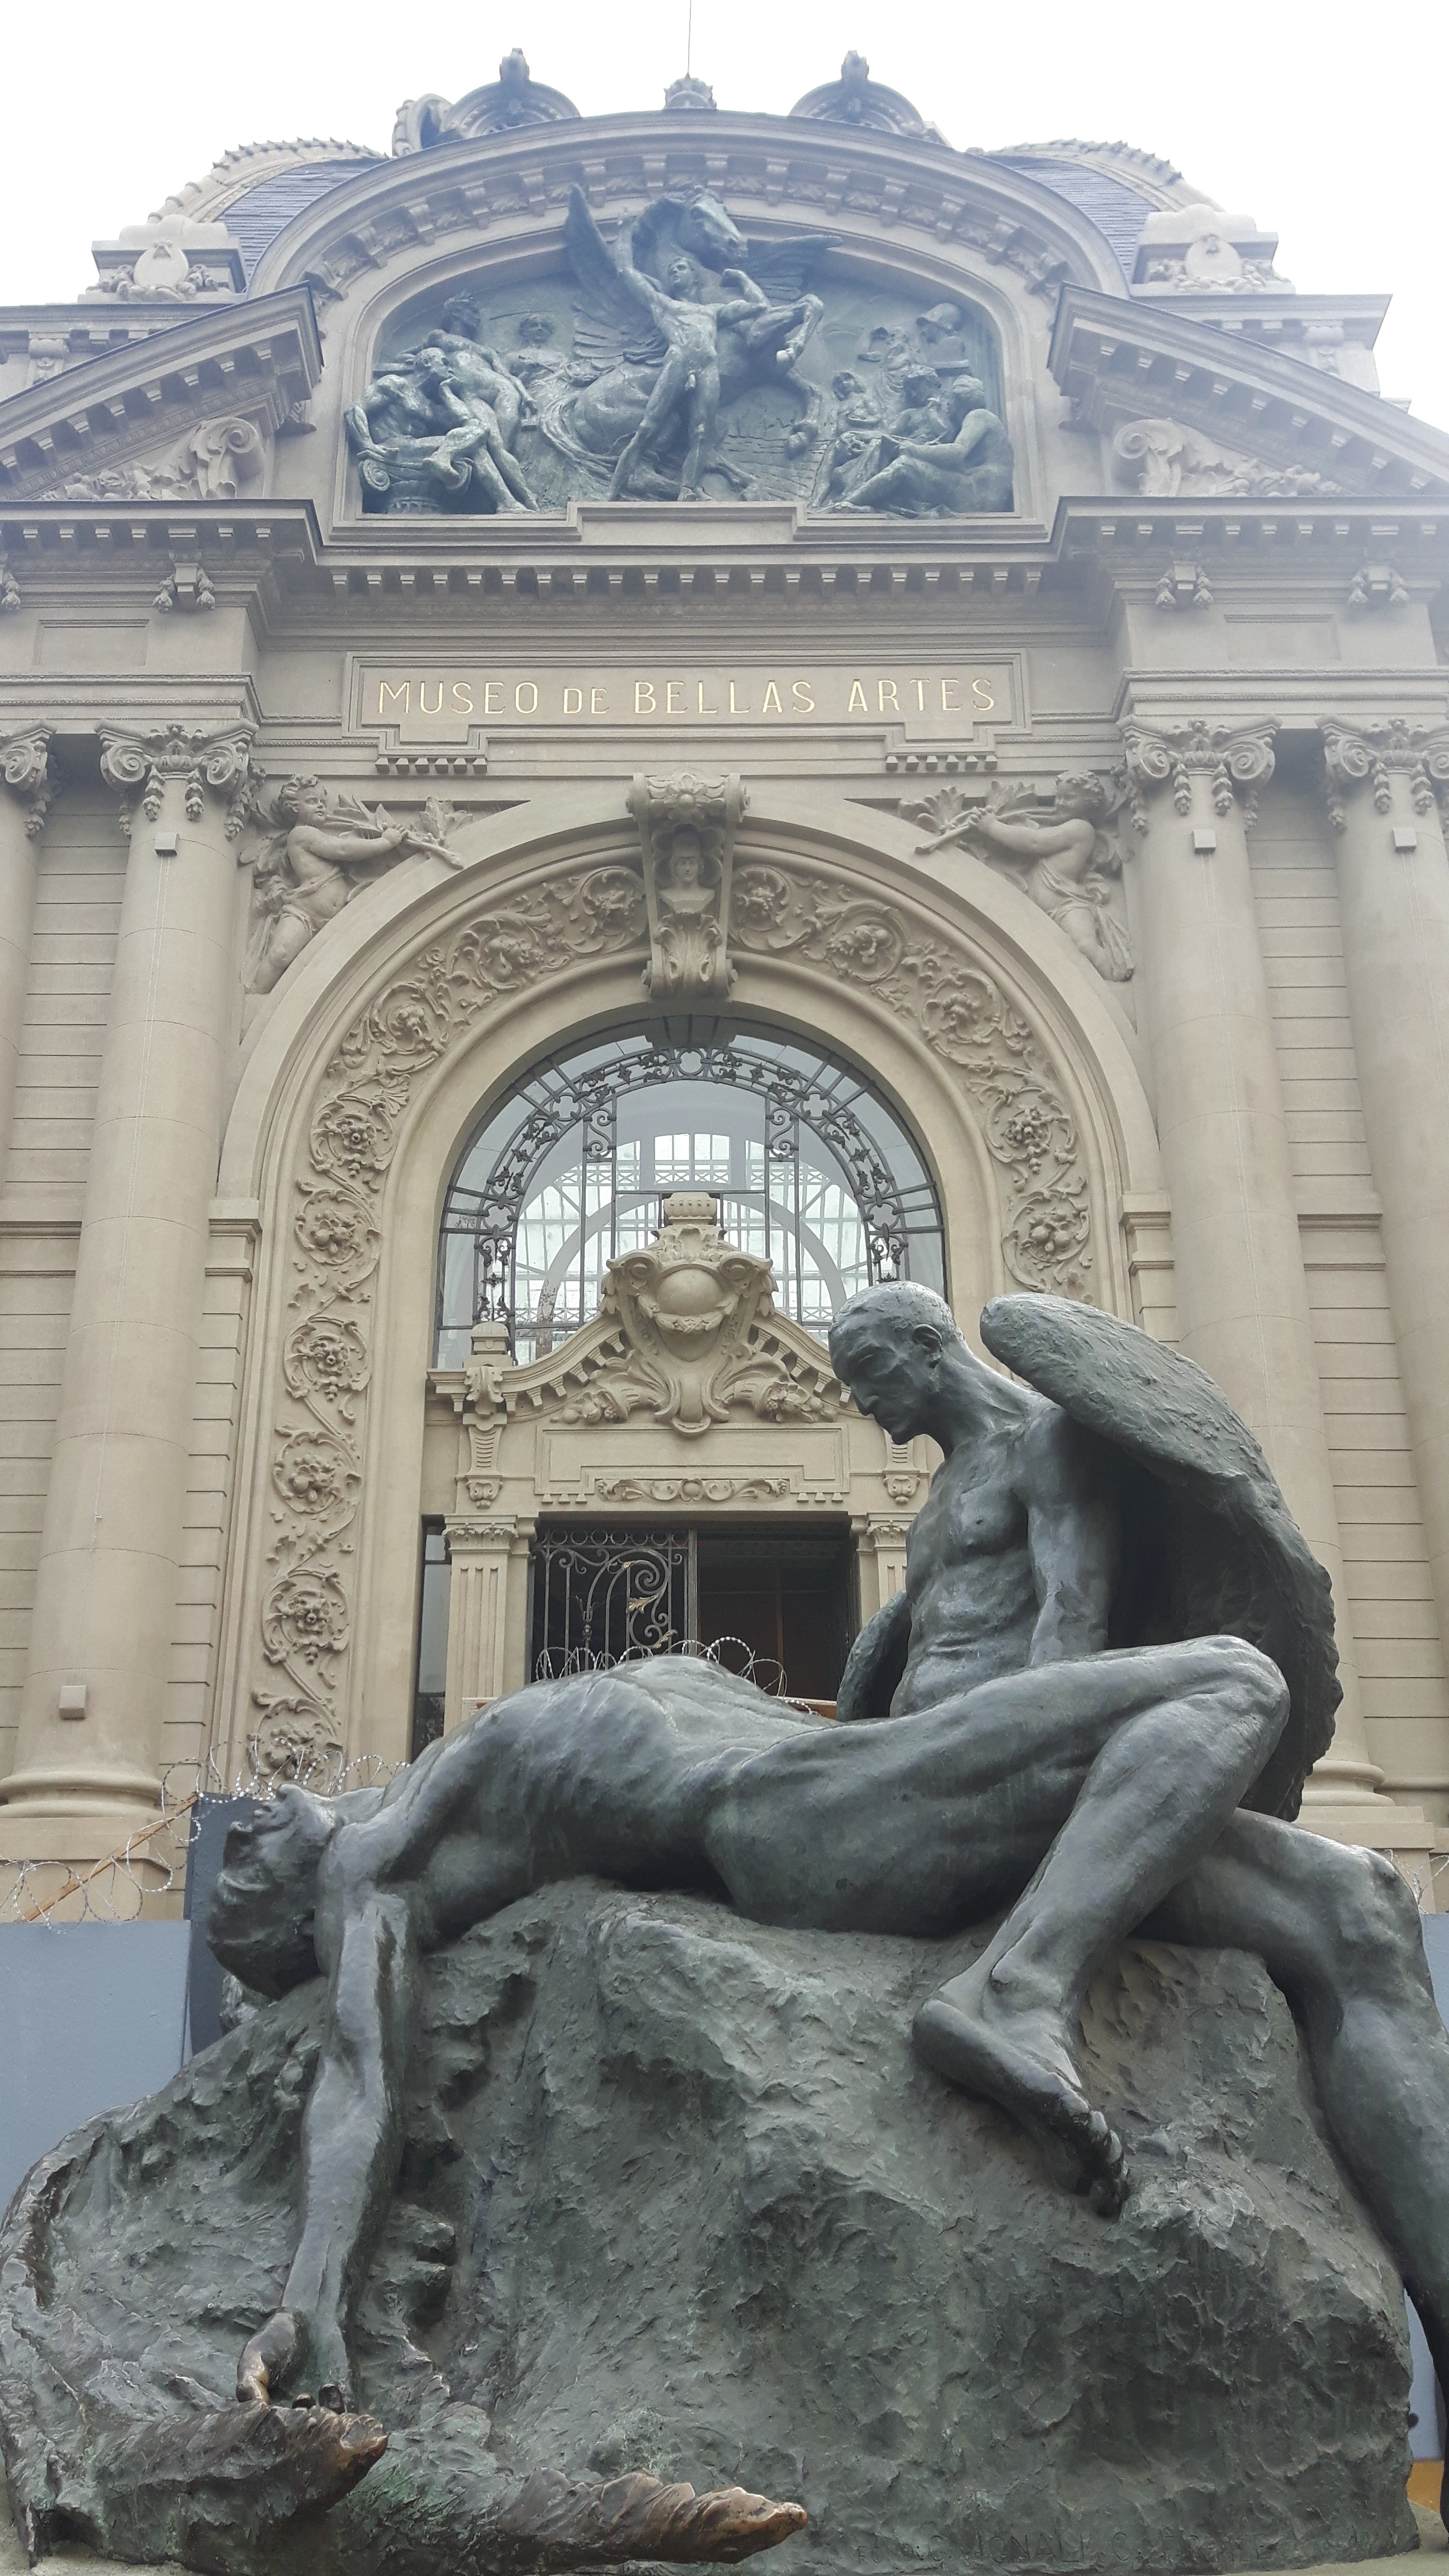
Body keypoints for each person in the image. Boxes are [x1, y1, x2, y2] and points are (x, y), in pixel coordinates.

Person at [209, 1280, 1449, 2526]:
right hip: (813, 1814)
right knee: (1235, 1682)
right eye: (245, 1865)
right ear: (300, 1907)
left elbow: (1030, 1634)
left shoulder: (467, 1763)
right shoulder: (384, 1863)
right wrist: (310, 2299)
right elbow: (358, 2073)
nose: (253, 1818)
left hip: (915, 1782)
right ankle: (1019, 1990)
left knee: (1360, 1906)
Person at [843, 377, 1014, 515]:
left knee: (905, 466)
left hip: (977, 494)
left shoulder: (979, 415)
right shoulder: (973, 422)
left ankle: (848, 504)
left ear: (961, 399)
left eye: (950, 400)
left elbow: (957, 452)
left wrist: (912, 449)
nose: (947, 405)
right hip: (978, 492)